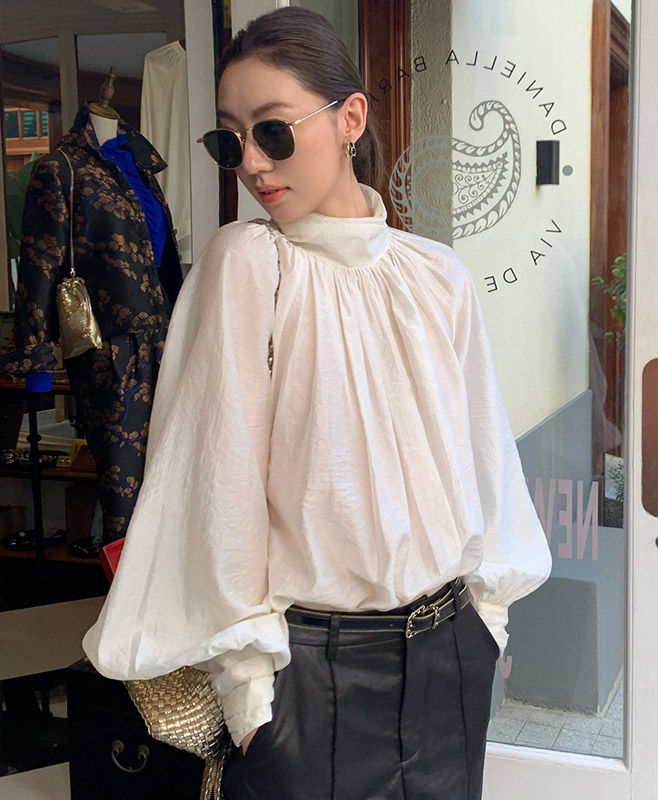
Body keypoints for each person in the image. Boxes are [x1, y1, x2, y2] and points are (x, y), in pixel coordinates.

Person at [81, 8, 552, 799]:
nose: (252, 164)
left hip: (449, 655)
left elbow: (485, 462)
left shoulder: (437, 276)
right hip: (309, 675)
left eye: (273, 131)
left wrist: (488, 622)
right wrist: (250, 696)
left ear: (350, 119)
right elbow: (218, 488)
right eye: (230, 140)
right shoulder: (246, 266)